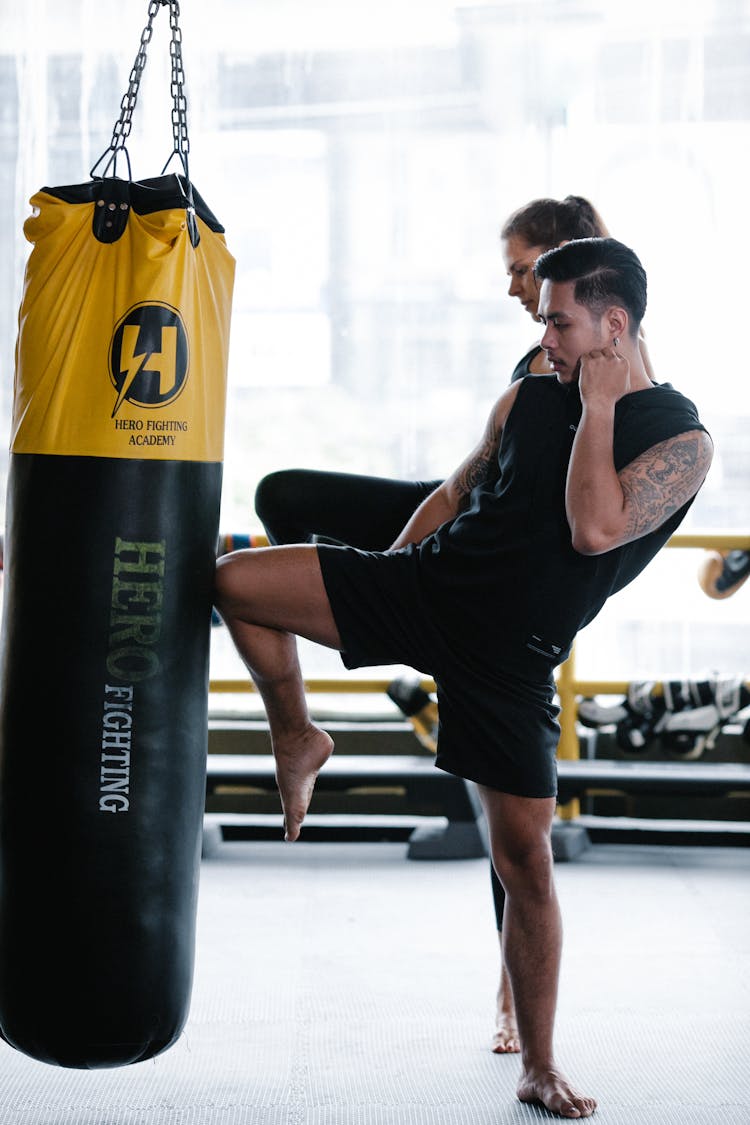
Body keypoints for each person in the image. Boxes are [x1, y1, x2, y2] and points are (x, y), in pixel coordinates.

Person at [215, 237, 711, 1118]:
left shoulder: (680, 438)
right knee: (233, 584)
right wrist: (383, 581)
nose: (544, 336)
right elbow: (455, 490)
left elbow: (595, 529)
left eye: (558, 320)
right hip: (429, 588)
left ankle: (540, 1062)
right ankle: (297, 734)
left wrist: (596, 407)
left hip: (510, 657)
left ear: (614, 323)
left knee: (524, 862)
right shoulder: (525, 393)